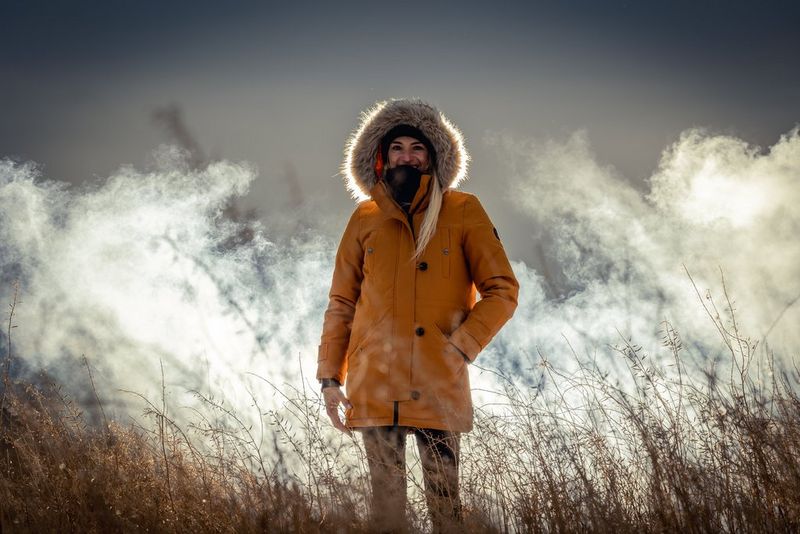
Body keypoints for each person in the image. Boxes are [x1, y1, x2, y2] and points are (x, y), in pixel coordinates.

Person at [317, 99, 519, 532]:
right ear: (380, 156)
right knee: (386, 512)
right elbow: (342, 304)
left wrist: (460, 348)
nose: (406, 157)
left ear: (433, 156)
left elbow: (502, 291)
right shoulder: (365, 217)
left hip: (437, 380)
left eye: (417, 148)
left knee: (446, 509)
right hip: (374, 381)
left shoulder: (464, 210)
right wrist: (330, 379)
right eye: (397, 149)